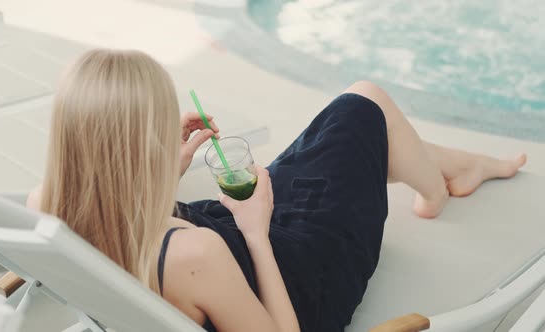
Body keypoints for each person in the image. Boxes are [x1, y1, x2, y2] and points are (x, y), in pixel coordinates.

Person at [27, 49, 526, 332]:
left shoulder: (48, 206)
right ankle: (437, 187)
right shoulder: (192, 254)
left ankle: (455, 166)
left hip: (227, 240)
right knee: (363, 103)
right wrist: (256, 231)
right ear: (139, 142)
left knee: (348, 136)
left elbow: (125, 222)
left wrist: (170, 169)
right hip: (294, 274)